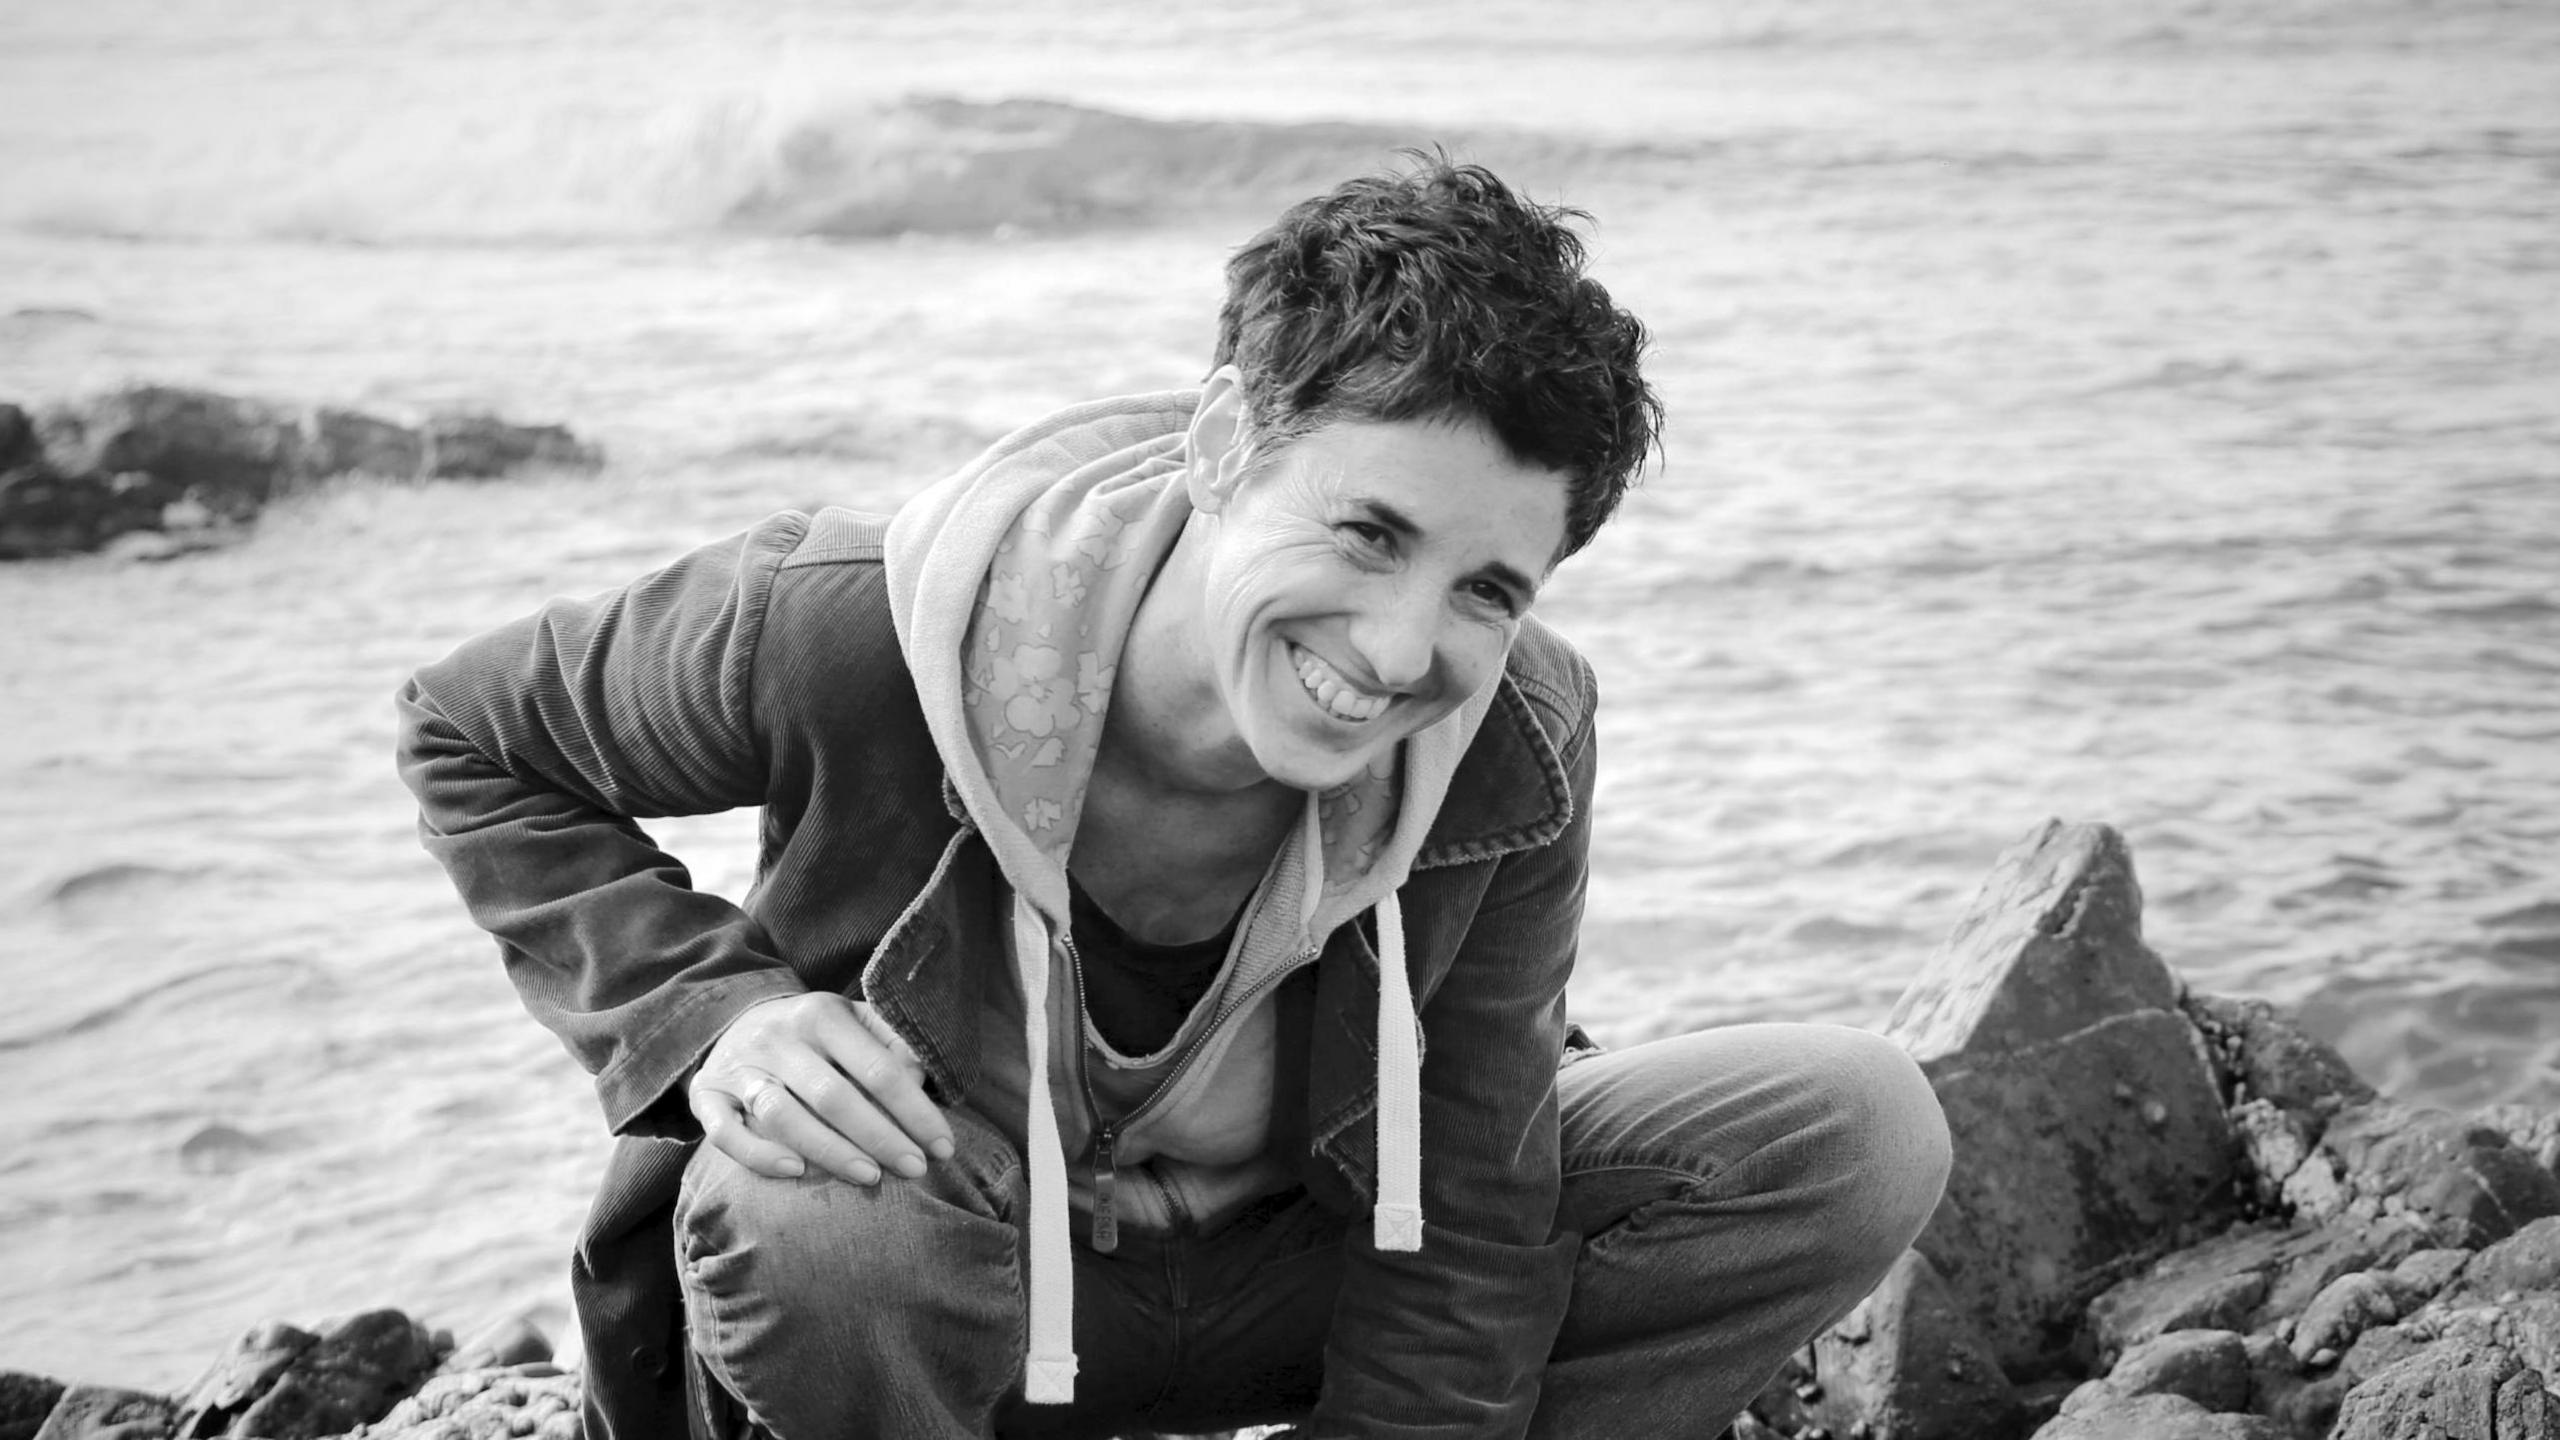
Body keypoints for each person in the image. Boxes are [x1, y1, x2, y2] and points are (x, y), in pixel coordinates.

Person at [397, 157, 1952, 1440]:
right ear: (1221, 445)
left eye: (1487, 587)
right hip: (955, 1318)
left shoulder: (1515, 736)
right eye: (1364, 532)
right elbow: (471, 733)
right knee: (820, 1199)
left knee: (1851, 1129)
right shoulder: (849, 620)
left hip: (1288, 1276)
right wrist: (708, 1013)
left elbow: (1467, 1202)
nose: (1401, 649)